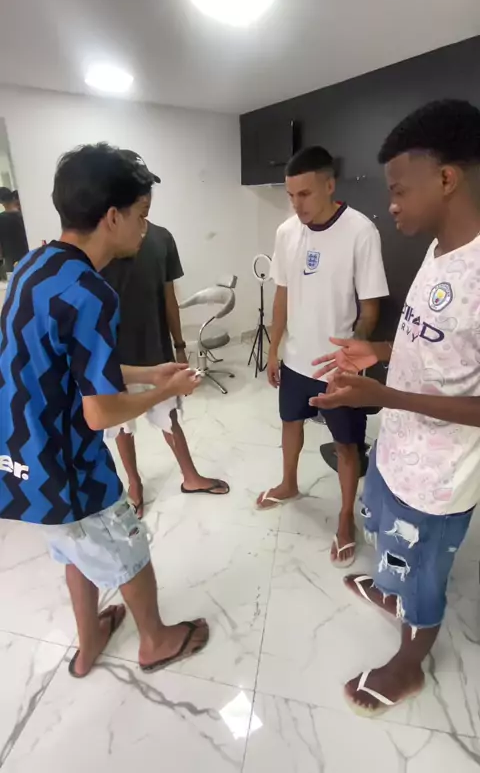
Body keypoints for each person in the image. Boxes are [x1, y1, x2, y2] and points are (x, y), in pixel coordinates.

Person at [0, 143, 209, 678]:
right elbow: (100, 413)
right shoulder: (91, 292)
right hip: (69, 464)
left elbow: (70, 362)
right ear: (112, 217)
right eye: (141, 215)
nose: (145, 227)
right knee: (125, 545)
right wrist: (167, 391)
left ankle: (90, 638)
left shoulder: (32, 266)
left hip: (23, 461)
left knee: (75, 549)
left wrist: (148, 373)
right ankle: (156, 642)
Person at [311, 98, 480, 716]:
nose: (391, 205)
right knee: (384, 534)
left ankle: (409, 664)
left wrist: (383, 395)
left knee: (423, 574)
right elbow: (437, 345)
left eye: (399, 190)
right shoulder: (439, 251)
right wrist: (378, 351)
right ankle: (392, 589)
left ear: (446, 178)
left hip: (439, 480)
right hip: (397, 450)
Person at [257, 146, 388, 568]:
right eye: (290, 195)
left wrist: (352, 353)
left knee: (347, 445)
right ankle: (288, 483)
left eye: (305, 194)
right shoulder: (286, 232)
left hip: (337, 365)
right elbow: (282, 295)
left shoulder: (360, 231)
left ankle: (346, 517)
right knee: (290, 423)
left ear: (330, 185)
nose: (297, 205)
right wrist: (274, 349)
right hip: (296, 358)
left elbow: (370, 308)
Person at [101, 150, 229, 519]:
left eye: (148, 193)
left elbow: (169, 297)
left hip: (156, 350)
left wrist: (180, 345)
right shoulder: (102, 244)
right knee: (122, 426)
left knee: (169, 415)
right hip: (116, 357)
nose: (145, 200)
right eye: (137, 193)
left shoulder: (162, 238)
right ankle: (134, 484)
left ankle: (190, 475)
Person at [0, 187, 29, 272]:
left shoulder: (1, 219)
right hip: (29, 256)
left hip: (11, 260)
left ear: (1, 202)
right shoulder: (24, 215)